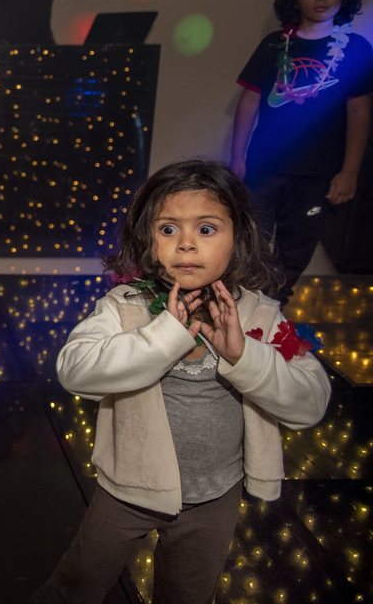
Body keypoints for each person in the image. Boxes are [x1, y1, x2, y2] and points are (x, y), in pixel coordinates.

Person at [29, 159, 331, 603]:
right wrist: (164, 336)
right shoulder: (126, 306)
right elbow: (75, 370)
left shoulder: (262, 317)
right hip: (128, 491)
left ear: (238, 238)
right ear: (147, 239)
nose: (186, 243)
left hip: (215, 500)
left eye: (206, 229)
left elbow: (310, 404)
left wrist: (244, 356)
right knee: (76, 586)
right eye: (168, 229)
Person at [231, 0, 371, 305]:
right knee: (248, 240)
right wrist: (237, 158)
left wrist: (350, 172)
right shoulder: (274, 44)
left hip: (318, 173)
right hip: (264, 165)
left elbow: (359, 111)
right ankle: (241, 305)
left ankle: (274, 309)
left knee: (296, 246)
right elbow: (248, 102)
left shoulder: (355, 49)